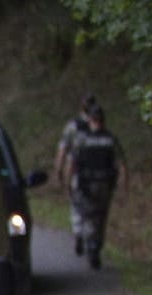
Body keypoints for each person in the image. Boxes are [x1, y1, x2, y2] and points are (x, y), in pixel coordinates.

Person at [63, 105, 126, 270]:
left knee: (87, 216)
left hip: (86, 185)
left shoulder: (81, 140)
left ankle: (88, 243)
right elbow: (121, 165)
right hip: (105, 185)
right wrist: (122, 187)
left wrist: (67, 183)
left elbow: (71, 164)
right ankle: (95, 247)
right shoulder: (110, 139)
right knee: (100, 218)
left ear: (90, 120)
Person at [53, 93, 98, 253]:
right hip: (97, 173)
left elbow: (63, 149)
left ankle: (79, 233)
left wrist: (59, 171)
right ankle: (91, 238)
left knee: (76, 203)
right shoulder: (100, 124)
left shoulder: (73, 126)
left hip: (77, 172)